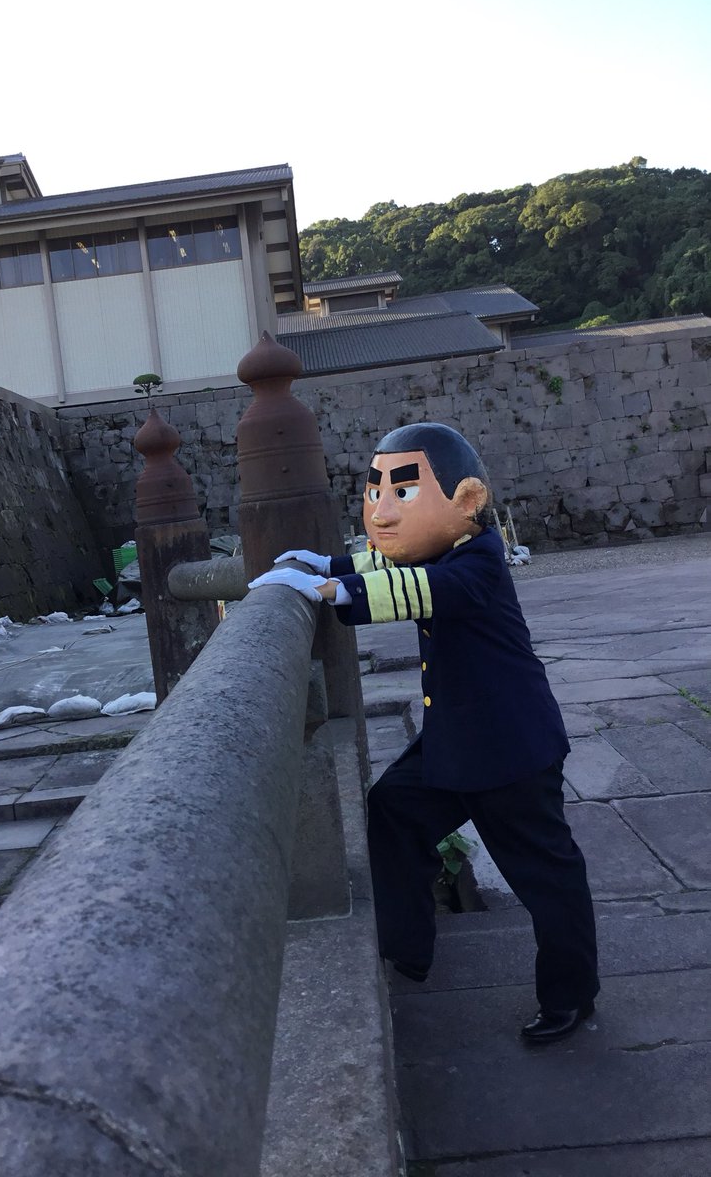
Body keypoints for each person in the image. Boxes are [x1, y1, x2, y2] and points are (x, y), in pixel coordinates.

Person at [248, 423, 599, 1043]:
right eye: (375, 492)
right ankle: (406, 945)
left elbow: (418, 588)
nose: (382, 511)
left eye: (402, 493)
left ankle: (571, 998)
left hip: (510, 751)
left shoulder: (479, 561)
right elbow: (386, 561)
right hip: (456, 743)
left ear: (467, 501)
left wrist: (332, 589)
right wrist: (327, 563)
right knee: (393, 810)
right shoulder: (441, 549)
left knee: (547, 877)